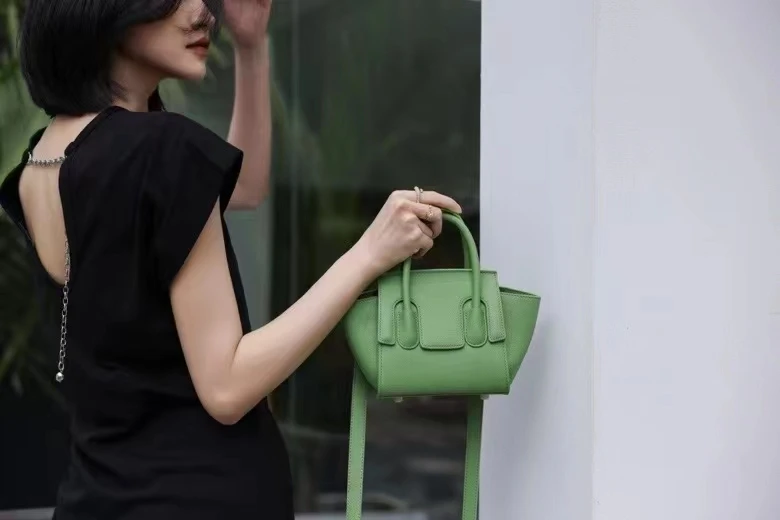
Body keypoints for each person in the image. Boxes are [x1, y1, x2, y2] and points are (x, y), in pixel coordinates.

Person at [0, 0, 462, 518]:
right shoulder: (160, 149)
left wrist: (251, 46)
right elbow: (226, 386)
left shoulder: (43, 158)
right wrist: (369, 254)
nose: (203, 13)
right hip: (203, 497)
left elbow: (245, 186)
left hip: (97, 498)